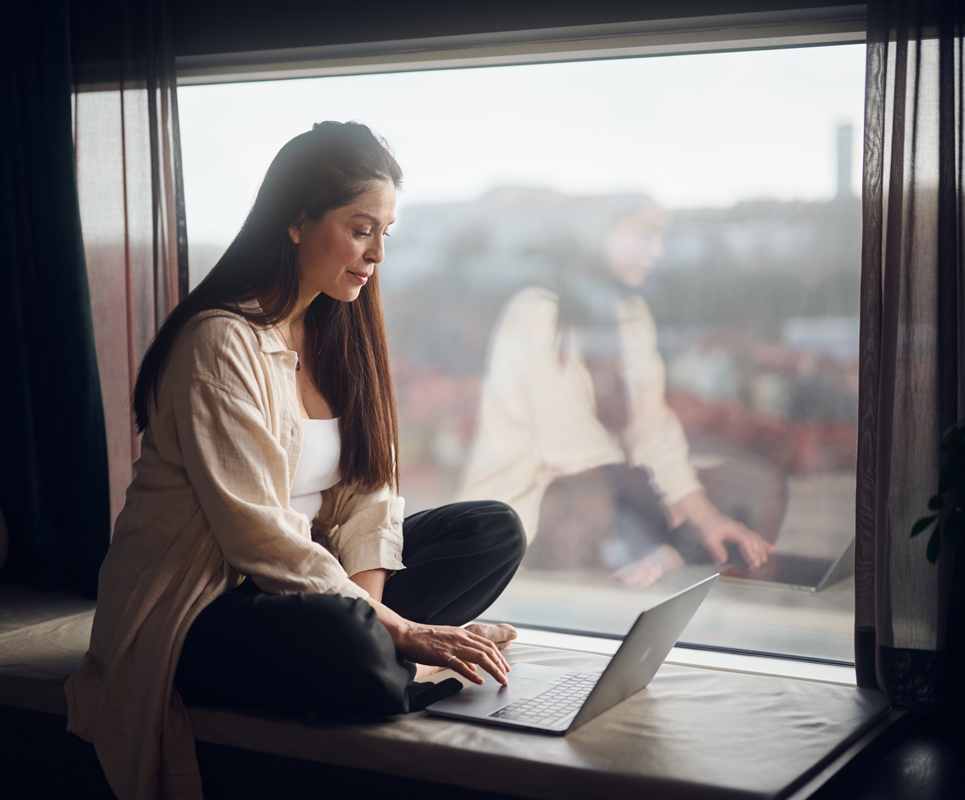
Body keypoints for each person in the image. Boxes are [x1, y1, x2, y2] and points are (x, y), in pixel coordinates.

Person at [65, 122, 525, 800]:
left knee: (492, 530)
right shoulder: (221, 341)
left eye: (385, 233)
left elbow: (370, 494)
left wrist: (371, 614)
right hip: (202, 604)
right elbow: (257, 537)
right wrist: (393, 628)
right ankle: (381, 661)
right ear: (297, 221)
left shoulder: (339, 329)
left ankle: (370, 654)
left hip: (307, 591)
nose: (376, 255)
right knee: (345, 640)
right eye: (360, 227)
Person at [457, 198, 771, 589]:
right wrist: (676, 538)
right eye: (643, 234)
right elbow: (569, 447)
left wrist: (708, 520)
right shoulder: (536, 313)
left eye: (660, 237)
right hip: (514, 542)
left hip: (599, 527)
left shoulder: (631, 314)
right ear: (597, 233)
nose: (656, 250)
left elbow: (653, 433)